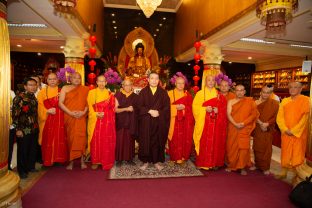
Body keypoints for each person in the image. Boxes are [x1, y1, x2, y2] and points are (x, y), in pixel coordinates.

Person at [276, 82, 310, 179]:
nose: (292, 89)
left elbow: (305, 118)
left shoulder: (306, 100)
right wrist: (285, 129)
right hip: (286, 132)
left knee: (298, 153)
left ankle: (297, 174)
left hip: (299, 133)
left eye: (296, 87)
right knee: (285, 152)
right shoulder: (285, 101)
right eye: (290, 87)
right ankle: (284, 171)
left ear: (300, 89)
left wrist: (294, 130)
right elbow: (280, 117)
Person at [137, 72, 170, 171]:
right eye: (152, 78)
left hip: (158, 121)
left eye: (156, 78)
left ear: (159, 80)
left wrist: (159, 112)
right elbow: (139, 106)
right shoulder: (143, 92)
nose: (154, 80)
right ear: (148, 79)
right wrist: (149, 111)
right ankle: (145, 161)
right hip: (146, 121)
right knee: (145, 141)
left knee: (157, 140)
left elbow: (167, 107)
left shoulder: (163, 93)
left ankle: (156, 161)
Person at [193, 75, 227, 170]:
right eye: (209, 80)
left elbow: (223, 108)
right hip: (203, 123)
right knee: (203, 142)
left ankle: (212, 163)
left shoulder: (218, 94)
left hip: (215, 123)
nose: (211, 82)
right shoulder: (200, 94)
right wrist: (204, 109)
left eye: (212, 80)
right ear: (205, 82)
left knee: (214, 143)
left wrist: (218, 110)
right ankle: (201, 163)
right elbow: (194, 108)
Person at [226, 84, 259, 175]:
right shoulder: (231, 101)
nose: (239, 92)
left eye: (241, 90)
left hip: (244, 127)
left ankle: (242, 166)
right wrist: (235, 124)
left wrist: (243, 123)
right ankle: (232, 165)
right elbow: (228, 114)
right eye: (237, 90)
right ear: (235, 92)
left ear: (244, 91)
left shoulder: (250, 101)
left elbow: (253, 115)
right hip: (233, 127)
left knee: (243, 148)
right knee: (231, 147)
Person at [59, 72, 89, 170]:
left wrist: (83, 112)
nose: (76, 79)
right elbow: (60, 103)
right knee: (71, 139)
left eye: (79, 78)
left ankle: (82, 161)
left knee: (81, 138)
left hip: (81, 116)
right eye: (74, 78)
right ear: (70, 79)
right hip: (69, 116)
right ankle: (71, 162)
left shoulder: (85, 89)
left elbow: (88, 104)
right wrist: (70, 113)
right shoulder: (65, 88)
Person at [37, 73, 67, 166]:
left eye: (54, 79)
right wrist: (47, 111)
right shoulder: (42, 92)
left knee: (59, 137)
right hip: (47, 118)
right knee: (48, 138)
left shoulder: (62, 91)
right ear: (47, 80)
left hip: (60, 119)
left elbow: (67, 104)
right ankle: (48, 159)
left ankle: (58, 159)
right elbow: (39, 106)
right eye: (50, 79)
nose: (52, 81)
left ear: (58, 80)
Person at [87, 75, 116, 170]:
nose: (101, 83)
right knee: (95, 140)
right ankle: (95, 161)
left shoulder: (109, 94)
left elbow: (112, 108)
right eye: (99, 81)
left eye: (103, 81)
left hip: (106, 121)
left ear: (106, 83)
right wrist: (95, 114)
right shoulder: (91, 93)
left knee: (105, 140)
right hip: (95, 120)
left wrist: (105, 114)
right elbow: (89, 107)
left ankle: (105, 160)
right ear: (96, 82)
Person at [12, 77, 39, 179]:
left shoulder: (33, 97)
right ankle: (22, 171)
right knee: (23, 150)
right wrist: (18, 129)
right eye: (30, 85)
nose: (33, 87)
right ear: (25, 86)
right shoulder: (19, 97)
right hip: (23, 128)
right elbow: (15, 114)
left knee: (32, 149)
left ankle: (30, 166)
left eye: (34, 85)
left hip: (34, 127)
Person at [251, 85, 279, 175]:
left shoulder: (275, 103)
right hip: (258, 127)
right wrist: (260, 123)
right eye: (264, 92)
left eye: (268, 93)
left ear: (270, 94)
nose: (265, 94)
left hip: (268, 128)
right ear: (260, 92)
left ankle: (265, 167)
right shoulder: (255, 102)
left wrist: (267, 124)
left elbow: (276, 117)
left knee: (266, 148)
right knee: (256, 146)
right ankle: (257, 164)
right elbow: (253, 115)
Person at [168, 76, 194, 166]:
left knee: (183, 139)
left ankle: (182, 158)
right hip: (173, 120)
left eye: (182, 83)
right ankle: (173, 158)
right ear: (175, 83)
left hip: (184, 121)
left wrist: (185, 108)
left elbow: (191, 109)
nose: (180, 85)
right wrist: (175, 107)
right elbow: (165, 108)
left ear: (184, 84)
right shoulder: (169, 93)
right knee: (173, 140)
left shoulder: (188, 95)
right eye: (178, 83)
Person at [115, 79, 138, 165]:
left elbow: (138, 109)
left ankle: (129, 159)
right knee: (120, 140)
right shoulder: (118, 95)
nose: (127, 87)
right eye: (126, 85)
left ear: (132, 86)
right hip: (121, 121)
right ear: (123, 86)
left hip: (131, 122)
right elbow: (115, 110)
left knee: (130, 140)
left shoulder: (136, 96)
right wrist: (126, 109)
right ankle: (119, 159)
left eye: (129, 85)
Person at [8, 90, 16, 170]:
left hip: (10, 125)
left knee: (9, 147)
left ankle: (7, 166)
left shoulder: (11, 93)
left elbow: (14, 108)